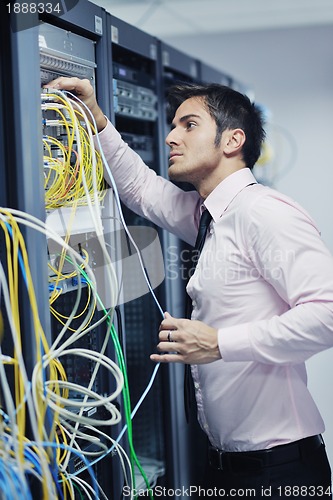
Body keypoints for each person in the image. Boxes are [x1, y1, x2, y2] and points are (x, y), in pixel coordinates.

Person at [46, 77, 333, 498]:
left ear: (232, 140)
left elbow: (327, 312)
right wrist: (96, 119)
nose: (170, 136)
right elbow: (142, 189)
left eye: (188, 125)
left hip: (278, 471)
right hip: (226, 466)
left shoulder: (264, 214)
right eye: (173, 125)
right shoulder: (210, 215)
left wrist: (219, 343)